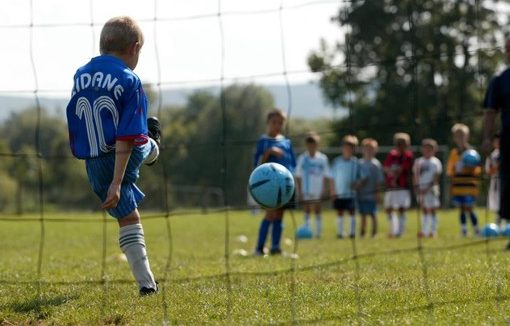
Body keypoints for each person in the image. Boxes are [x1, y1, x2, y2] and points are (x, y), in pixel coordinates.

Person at [66, 16, 160, 295]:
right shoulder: (130, 79)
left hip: (92, 160)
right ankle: (152, 145)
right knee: (139, 140)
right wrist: (117, 181)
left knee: (128, 218)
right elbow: (126, 137)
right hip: (120, 153)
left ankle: (148, 285)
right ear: (134, 48)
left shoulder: (80, 74)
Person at [253, 109, 296, 255]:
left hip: (285, 186)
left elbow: (292, 164)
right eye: (274, 122)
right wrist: (269, 152)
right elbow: (258, 164)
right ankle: (259, 248)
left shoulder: (286, 142)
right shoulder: (263, 141)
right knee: (270, 215)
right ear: (268, 123)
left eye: (280, 123)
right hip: (269, 186)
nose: (277, 125)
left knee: (280, 215)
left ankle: (275, 247)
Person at [447, 123, 481, 237]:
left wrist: (469, 168)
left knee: (469, 208)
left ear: (467, 136)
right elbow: (450, 170)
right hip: (458, 185)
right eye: (457, 136)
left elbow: (478, 170)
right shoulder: (454, 153)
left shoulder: (472, 152)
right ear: (454, 138)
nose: (460, 139)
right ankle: (464, 230)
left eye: (462, 136)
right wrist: (456, 168)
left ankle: (476, 229)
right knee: (461, 208)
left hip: (469, 185)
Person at [295, 132, 331, 238]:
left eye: (313, 143)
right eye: (309, 144)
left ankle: (318, 232)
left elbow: (326, 175)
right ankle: (307, 230)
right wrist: (300, 190)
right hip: (306, 189)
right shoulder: (302, 158)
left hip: (318, 189)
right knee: (307, 209)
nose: (311, 146)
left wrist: (324, 189)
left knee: (317, 209)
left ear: (317, 144)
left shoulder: (322, 158)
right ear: (306, 145)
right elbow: (298, 175)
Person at [330, 135, 364, 239]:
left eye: (351, 147)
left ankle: (352, 232)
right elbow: (332, 178)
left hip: (351, 193)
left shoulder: (356, 162)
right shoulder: (337, 161)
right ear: (342, 147)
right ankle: (340, 233)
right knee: (340, 212)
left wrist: (357, 184)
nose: (348, 149)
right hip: (339, 193)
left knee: (352, 212)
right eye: (346, 147)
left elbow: (362, 178)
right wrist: (333, 191)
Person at [383, 133, 413, 238]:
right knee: (389, 208)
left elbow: (402, 169)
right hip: (391, 187)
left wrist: (395, 178)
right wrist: (391, 177)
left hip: (402, 186)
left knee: (401, 208)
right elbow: (386, 167)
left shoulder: (408, 156)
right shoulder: (392, 155)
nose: (400, 146)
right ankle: (393, 230)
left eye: (403, 143)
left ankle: (400, 231)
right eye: (398, 143)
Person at [413, 139, 443, 238]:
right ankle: (424, 231)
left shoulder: (436, 162)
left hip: (431, 190)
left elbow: (436, 177)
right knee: (424, 209)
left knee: (433, 210)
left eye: (430, 149)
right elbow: (416, 176)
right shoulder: (418, 162)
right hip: (420, 190)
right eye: (425, 148)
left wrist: (427, 189)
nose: (427, 150)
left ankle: (433, 231)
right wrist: (417, 187)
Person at [357, 138, 384, 238]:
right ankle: (362, 233)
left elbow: (378, 180)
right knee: (363, 214)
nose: (369, 151)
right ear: (362, 149)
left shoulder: (376, 164)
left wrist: (377, 193)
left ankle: (374, 233)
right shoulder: (359, 163)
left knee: (373, 214)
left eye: (371, 149)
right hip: (361, 194)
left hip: (372, 194)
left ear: (375, 150)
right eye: (367, 149)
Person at [485, 133, 501, 226]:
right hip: (496, 181)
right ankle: (498, 222)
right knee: (497, 203)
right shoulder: (492, 156)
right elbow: (488, 171)